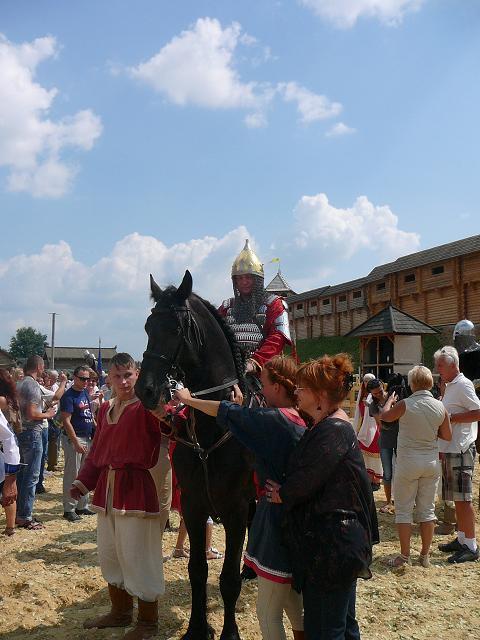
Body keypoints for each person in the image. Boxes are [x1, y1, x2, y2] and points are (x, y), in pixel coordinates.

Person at [174, 355, 305, 640]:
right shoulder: (298, 416)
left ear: (279, 387)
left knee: (268, 611)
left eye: (264, 384)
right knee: (292, 598)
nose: (260, 390)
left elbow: (228, 413)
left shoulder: (273, 419)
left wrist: (189, 399)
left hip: (276, 516)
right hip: (290, 512)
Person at [265, 354, 379, 640]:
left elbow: (308, 478)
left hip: (332, 547)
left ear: (320, 395)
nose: (297, 392)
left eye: (302, 388)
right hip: (334, 543)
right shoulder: (327, 423)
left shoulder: (334, 430)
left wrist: (283, 494)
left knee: (325, 630)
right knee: (341, 625)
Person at [70, 353, 171, 639]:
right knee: (110, 553)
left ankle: (148, 622)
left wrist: (166, 413)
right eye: (117, 376)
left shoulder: (148, 407)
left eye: (128, 375)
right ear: (109, 379)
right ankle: (120, 612)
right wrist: (82, 483)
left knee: (138, 555)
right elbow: (97, 453)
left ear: (137, 375)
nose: (123, 381)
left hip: (136, 489)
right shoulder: (105, 409)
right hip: (107, 490)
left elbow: (172, 427)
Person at [379, 366, 451, 567]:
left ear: (412, 383)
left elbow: (385, 418)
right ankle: (425, 556)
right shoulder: (440, 406)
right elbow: (447, 435)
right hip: (430, 461)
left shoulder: (405, 403)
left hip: (408, 461)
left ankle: (404, 556)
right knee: (427, 511)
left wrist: (389, 403)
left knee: (403, 510)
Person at [434, 346, 480, 563]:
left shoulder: (463, 385)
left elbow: (478, 412)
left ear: (453, 365)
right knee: (456, 497)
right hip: (452, 448)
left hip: (461, 448)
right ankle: (462, 538)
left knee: (463, 499)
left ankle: (471, 546)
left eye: (440, 365)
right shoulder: (451, 385)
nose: (437, 369)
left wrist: (453, 418)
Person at [218, 239, 291, 373]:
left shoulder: (274, 304)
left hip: (267, 372)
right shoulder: (226, 307)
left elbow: (277, 338)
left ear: (257, 279)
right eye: (239, 278)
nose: (244, 282)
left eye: (248, 277)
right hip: (233, 371)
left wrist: (254, 362)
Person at [16, 355, 58, 530]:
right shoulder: (32, 385)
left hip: (20, 432)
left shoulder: (20, 383)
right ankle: (25, 516)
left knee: (21, 475)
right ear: (40, 367)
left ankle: (20, 512)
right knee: (32, 476)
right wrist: (48, 415)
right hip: (32, 432)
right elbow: (33, 413)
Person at [60, 365, 96, 522]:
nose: (86, 381)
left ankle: (82, 505)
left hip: (86, 437)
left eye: (88, 379)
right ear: (74, 377)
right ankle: (69, 508)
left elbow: (90, 416)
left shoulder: (85, 393)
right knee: (72, 474)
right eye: (82, 378)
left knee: (84, 473)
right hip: (75, 439)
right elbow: (66, 421)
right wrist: (75, 442)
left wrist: (98, 428)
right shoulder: (69, 396)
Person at [353, 373, 384, 493]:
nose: (367, 383)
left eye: (369, 381)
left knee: (375, 454)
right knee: (365, 455)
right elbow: (358, 412)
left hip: (374, 428)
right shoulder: (362, 394)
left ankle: (376, 480)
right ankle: (368, 479)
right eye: (365, 381)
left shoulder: (375, 395)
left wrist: (370, 405)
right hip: (362, 427)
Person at [0, 370, 21, 536]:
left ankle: (10, 527)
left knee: (7, 493)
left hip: (5, 454)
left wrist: (11, 478)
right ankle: (10, 528)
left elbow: (9, 438)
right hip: (7, 453)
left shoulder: (2, 400)